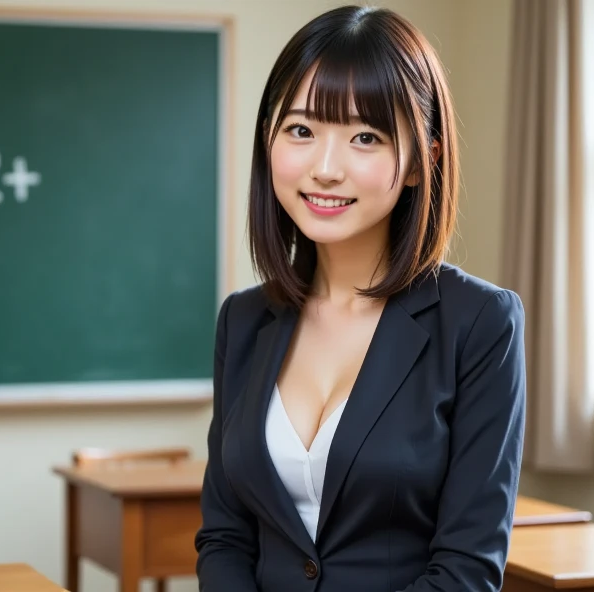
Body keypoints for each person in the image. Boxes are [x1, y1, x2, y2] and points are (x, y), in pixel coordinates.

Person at [194, 5, 526, 592]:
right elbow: (226, 537)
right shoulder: (243, 320)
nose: (325, 168)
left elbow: (466, 569)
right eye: (301, 130)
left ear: (425, 162)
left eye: (365, 137)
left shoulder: (479, 323)